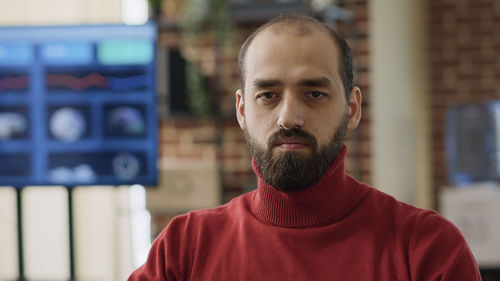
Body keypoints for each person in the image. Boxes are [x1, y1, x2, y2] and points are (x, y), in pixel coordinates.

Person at [129, 13, 482, 280]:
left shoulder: (426, 249)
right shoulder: (184, 249)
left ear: (352, 109)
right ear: (242, 110)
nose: (289, 118)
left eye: (314, 93)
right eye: (267, 95)